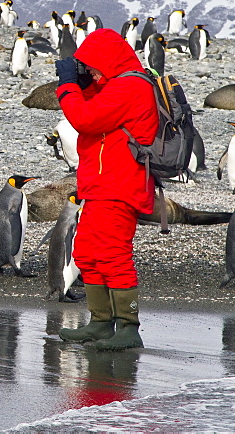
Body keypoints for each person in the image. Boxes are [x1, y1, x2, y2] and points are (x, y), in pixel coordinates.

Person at [54, 27, 158, 350]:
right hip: (101, 186)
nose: (92, 72)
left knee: (114, 254)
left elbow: (86, 118)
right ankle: (100, 321)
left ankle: (128, 326)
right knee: (86, 251)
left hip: (120, 187)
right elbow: (96, 110)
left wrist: (68, 86)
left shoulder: (131, 87)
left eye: (93, 65)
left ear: (108, 60)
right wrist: (83, 85)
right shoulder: (117, 86)